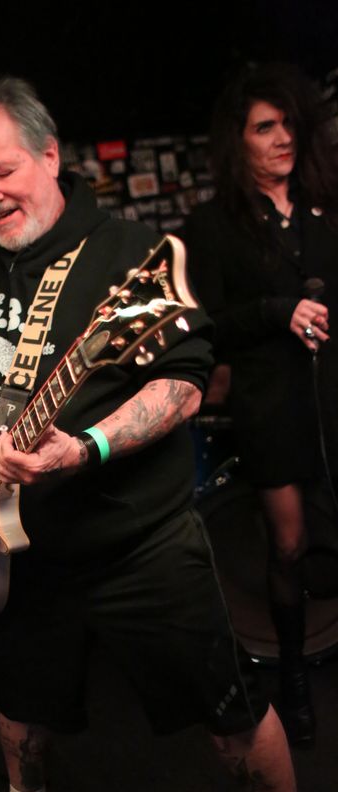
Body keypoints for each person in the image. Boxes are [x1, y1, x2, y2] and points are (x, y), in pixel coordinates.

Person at [0, 76, 338, 792]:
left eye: (1, 171)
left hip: (139, 542)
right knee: (16, 701)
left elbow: (185, 383)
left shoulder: (130, 257)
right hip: (17, 555)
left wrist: (89, 447)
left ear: (48, 154)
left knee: (229, 707)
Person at [183, 62, 338, 745]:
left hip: (332, 392)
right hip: (271, 401)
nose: (283, 138)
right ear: (236, 140)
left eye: (288, 124)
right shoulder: (212, 225)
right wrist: (278, 310)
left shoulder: (326, 203)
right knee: (290, 543)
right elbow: (208, 325)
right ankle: (294, 678)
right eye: (264, 127)